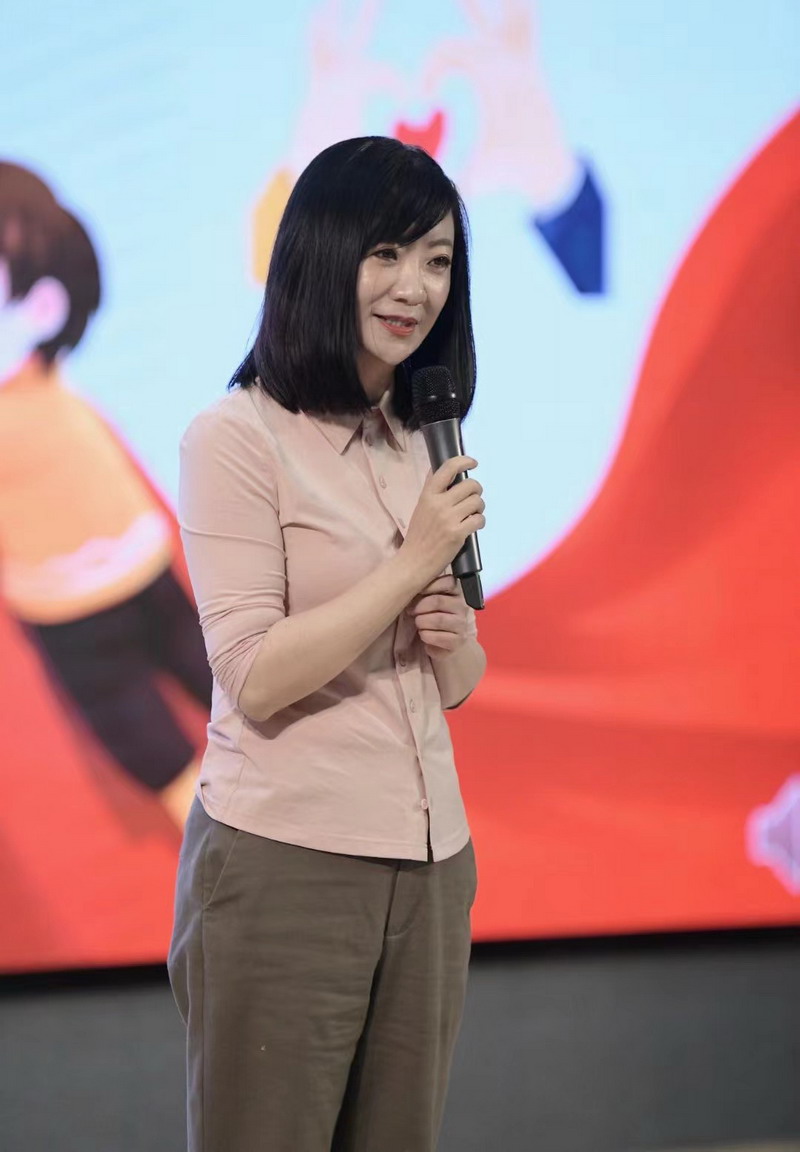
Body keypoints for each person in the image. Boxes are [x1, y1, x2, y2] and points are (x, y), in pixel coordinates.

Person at [168, 135, 488, 1152]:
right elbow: (253, 676)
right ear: (321, 253)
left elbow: (458, 679)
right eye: (386, 252)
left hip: (431, 863)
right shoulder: (236, 437)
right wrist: (408, 565)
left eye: (437, 260)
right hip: (285, 866)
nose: (415, 287)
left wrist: (450, 633)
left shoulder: (424, 437)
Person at [0, 161, 211, 827]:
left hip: (142, 562)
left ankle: (307, 774)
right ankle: (220, 840)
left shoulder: (44, 372)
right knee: (143, 736)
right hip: (65, 608)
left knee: (220, 675)